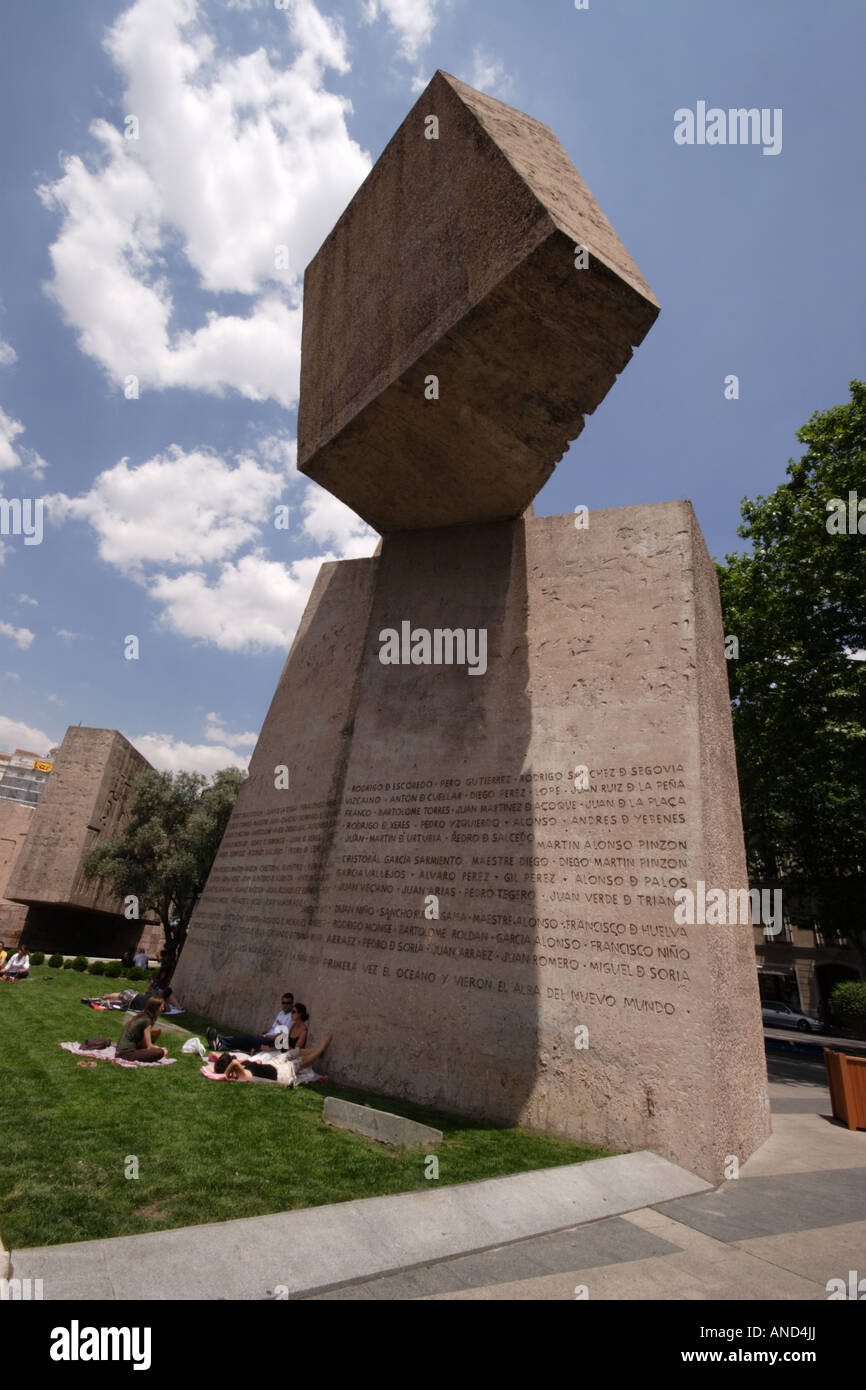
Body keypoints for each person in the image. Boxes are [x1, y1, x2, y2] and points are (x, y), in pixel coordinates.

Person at [213, 1032, 332, 1085]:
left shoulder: (243, 1066)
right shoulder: (243, 1074)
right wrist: (229, 1071)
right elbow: (234, 1063)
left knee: (293, 1052)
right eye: (233, 1059)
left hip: (272, 1064)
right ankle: (320, 1049)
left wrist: (245, 1061)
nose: (236, 1058)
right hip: (281, 1073)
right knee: (301, 1062)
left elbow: (257, 1063)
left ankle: (317, 1050)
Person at [206, 991, 295, 1055]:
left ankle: (219, 1040)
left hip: (271, 1042)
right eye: (284, 1003)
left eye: (288, 1003)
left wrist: (269, 1037)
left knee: (246, 1039)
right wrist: (264, 1032)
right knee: (245, 1041)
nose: (285, 1005)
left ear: (292, 1003)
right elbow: (272, 1028)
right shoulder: (280, 1013)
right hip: (266, 1037)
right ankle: (220, 1042)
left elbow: (283, 1035)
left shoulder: (291, 1017)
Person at [116, 997, 167, 1062]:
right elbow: (149, 1046)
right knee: (159, 1052)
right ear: (155, 1008)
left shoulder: (141, 1016)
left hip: (121, 1050)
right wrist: (161, 1050)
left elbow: (143, 1043)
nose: (163, 1009)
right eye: (161, 1007)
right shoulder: (147, 1021)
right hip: (126, 1054)